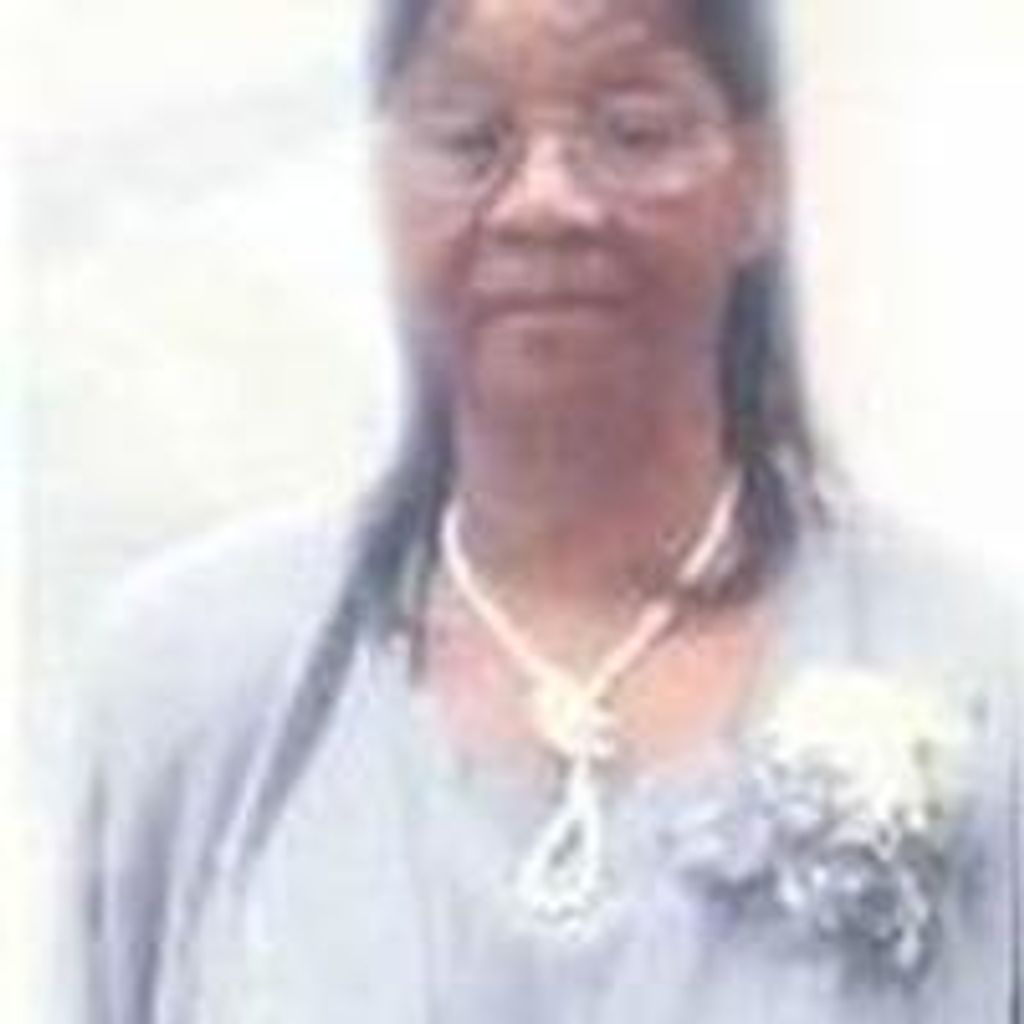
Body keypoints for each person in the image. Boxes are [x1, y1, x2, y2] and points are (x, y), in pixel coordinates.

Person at [62, 0, 1021, 1021]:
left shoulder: (974, 680)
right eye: (469, 138)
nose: (544, 200)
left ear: (759, 179)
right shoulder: (192, 684)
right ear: (384, 183)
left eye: (631, 132)